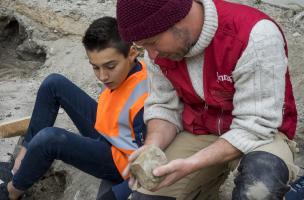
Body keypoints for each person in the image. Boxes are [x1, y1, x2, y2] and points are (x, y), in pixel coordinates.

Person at [116, 0, 299, 199]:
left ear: (178, 19)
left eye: (152, 42)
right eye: (143, 46)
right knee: (147, 196)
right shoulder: (159, 52)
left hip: (261, 136)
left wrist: (191, 164)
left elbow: (254, 127)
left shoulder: (255, 36)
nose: (151, 55)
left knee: (258, 190)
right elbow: (164, 107)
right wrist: (152, 147)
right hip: (202, 130)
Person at [4, 16, 147, 200]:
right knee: (53, 84)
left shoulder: (145, 101)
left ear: (132, 53)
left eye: (110, 66)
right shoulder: (124, 71)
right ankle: (22, 160)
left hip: (120, 160)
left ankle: (12, 191)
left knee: (50, 139)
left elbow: (147, 167)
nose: (102, 76)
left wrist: (114, 195)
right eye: (95, 67)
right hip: (109, 130)